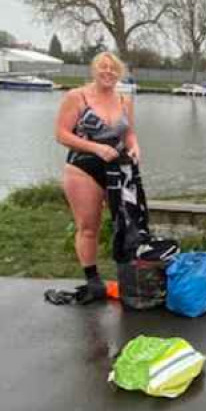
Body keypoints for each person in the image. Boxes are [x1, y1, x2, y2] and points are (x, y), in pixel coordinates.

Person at [54, 52, 141, 302]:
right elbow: (61, 134)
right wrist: (95, 148)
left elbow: (130, 134)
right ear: (94, 70)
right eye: (103, 68)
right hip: (84, 167)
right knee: (88, 227)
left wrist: (135, 147)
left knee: (126, 225)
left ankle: (129, 279)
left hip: (118, 168)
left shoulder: (125, 100)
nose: (108, 73)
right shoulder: (77, 97)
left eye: (113, 69)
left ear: (119, 73)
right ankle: (93, 281)